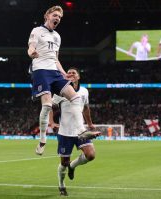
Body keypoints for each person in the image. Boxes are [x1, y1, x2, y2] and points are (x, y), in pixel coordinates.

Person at [27, 5, 100, 155]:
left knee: (75, 97)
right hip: (40, 70)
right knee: (47, 105)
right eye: (55, 15)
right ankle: (42, 140)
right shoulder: (37, 31)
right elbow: (30, 47)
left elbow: (56, 59)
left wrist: (63, 73)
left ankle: (81, 131)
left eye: (59, 17)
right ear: (47, 15)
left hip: (54, 71)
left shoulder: (57, 37)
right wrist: (31, 53)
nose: (57, 19)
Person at [49, 67, 98, 196]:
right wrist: (52, 122)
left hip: (80, 130)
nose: (70, 74)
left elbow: (86, 108)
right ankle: (61, 185)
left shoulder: (84, 91)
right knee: (64, 163)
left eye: (73, 73)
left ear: (78, 76)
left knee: (91, 155)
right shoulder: (61, 91)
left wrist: (90, 124)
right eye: (68, 72)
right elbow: (51, 107)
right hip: (65, 132)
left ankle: (73, 166)